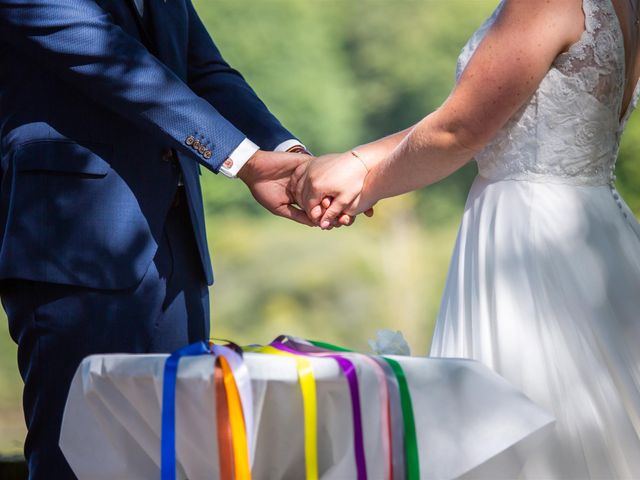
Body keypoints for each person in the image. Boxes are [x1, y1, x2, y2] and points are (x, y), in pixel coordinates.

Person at [294, 0, 640, 477]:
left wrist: (361, 187)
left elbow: (460, 131)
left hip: (529, 246)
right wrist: (359, 161)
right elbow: (480, 116)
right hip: (593, 227)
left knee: (525, 435)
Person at [0, 0, 322, 477]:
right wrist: (243, 160)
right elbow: (109, 59)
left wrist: (290, 157)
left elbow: (205, 69)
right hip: (77, 248)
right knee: (79, 458)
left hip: (177, 244)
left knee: (181, 453)